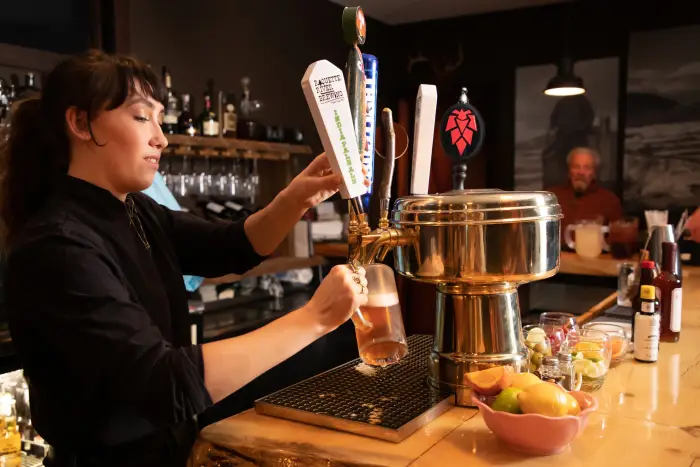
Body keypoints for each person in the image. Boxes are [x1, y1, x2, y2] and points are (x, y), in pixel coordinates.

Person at [0, 50, 371, 467]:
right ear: (81, 123)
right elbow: (162, 384)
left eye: (160, 119)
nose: (161, 137)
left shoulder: (136, 210)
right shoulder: (56, 245)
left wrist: (296, 196)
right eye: (142, 117)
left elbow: (232, 245)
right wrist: (314, 318)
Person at [546, 147, 623, 244]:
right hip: (558, 257)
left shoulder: (610, 201)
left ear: (594, 173)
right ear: (569, 171)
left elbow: (617, 242)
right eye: (576, 167)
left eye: (587, 168)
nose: (581, 172)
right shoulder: (551, 198)